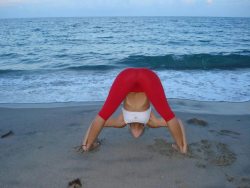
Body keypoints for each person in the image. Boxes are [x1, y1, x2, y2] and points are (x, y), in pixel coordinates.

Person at [82, 68, 187, 154]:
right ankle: (181, 148)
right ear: (143, 125)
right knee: (168, 115)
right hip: (147, 77)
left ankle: (88, 146)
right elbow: (178, 122)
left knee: (103, 114)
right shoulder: (146, 121)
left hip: (127, 76)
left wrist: (85, 143)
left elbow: (95, 122)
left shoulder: (123, 122)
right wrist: (183, 144)